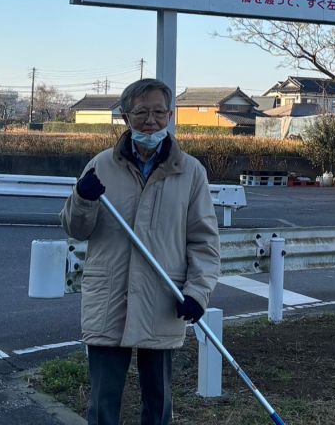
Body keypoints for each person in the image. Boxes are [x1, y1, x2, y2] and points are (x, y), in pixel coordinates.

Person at [61, 78, 220, 425]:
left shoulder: (190, 172)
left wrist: (197, 292)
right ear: (124, 117)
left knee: (159, 401)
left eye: (159, 112)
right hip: (109, 297)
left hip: (164, 297)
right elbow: (75, 229)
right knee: (102, 402)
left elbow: (205, 242)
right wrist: (83, 199)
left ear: (170, 115)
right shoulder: (100, 165)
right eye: (141, 113)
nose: (151, 121)